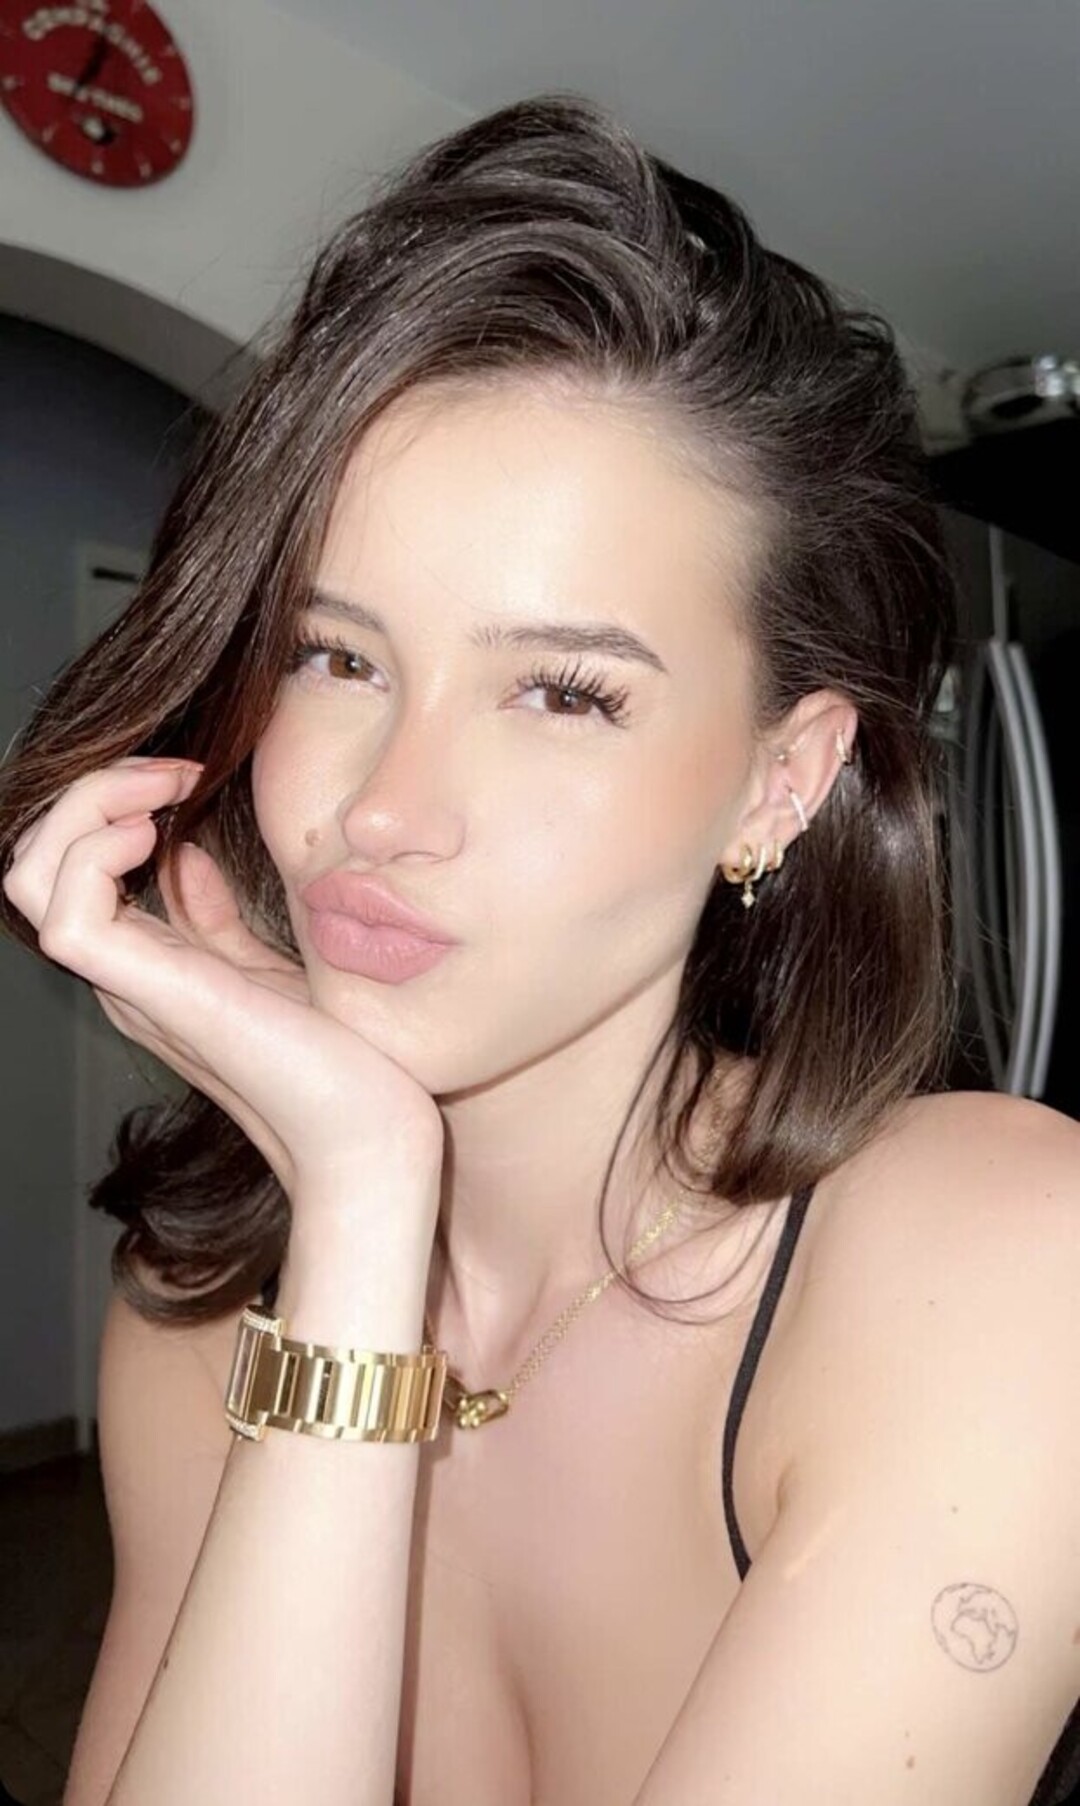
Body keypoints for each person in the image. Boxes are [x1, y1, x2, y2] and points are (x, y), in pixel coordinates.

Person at [1, 92, 1078, 1806]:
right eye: (337, 658)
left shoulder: (1003, 1256)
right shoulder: (202, 1316)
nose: (383, 808)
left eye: (563, 692)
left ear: (781, 780)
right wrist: (361, 1211)